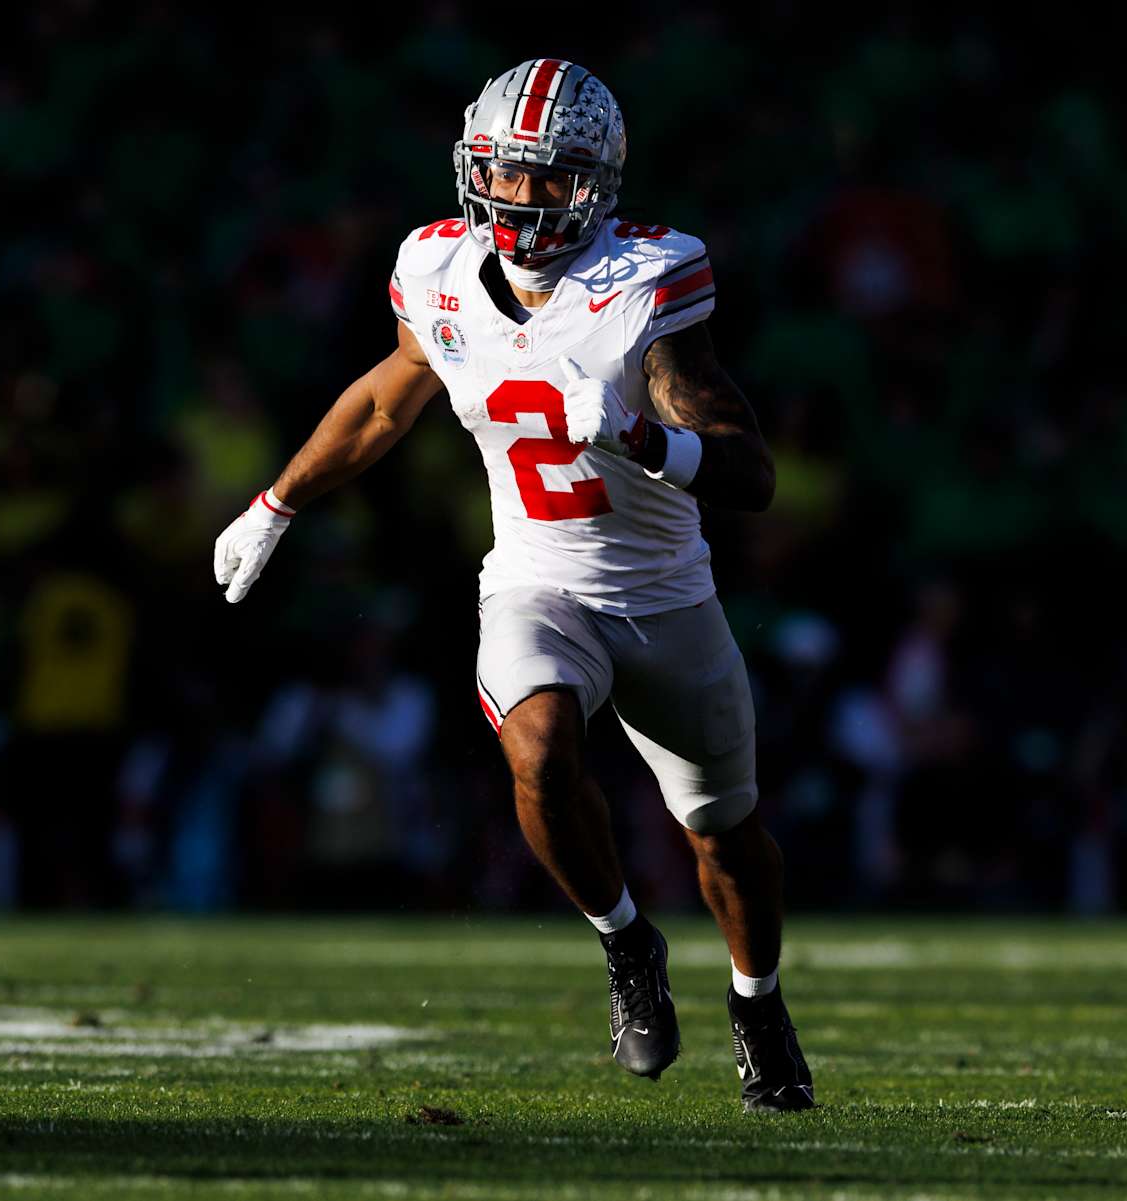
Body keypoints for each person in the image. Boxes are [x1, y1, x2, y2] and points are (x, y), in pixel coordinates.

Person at [214, 58, 813, 1112]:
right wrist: (278, 502)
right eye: (506, 171)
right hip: (537, 583)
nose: (521, 197)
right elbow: (385, 400)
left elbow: (749, 471)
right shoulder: (437, 270)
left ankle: (756, 1003)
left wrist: (642, 436)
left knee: (725, 835)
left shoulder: (644, 285)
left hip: (668, 596)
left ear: (595, 183)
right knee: (537, 749)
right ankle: (628, 947)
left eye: (548, 178)